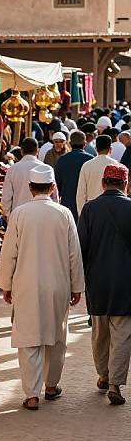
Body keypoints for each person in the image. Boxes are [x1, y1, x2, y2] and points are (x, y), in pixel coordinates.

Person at [0, 165, 84, 410]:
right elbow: (74, 255)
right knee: (56, 337)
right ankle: (52, 386)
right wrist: (77, 285)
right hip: (58, 285)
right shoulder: (64, 213)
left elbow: (9, 254)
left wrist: (6, 283)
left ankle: (32, 394)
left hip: (26, 284)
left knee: (29, 339)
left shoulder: (20, 214)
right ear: (53, 187)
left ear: (30, 188)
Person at [78, 164, 131, 405]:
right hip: (126, 284)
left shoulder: (90, 209)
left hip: (97, 282)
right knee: (122, 336)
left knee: (100, 334)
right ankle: (114, 384)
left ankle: (103, 374)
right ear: (125, 184)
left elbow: (81, 248)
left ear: (103, 183)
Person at [2, 137, 54, 217]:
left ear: (21, 151)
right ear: (37, 150)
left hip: (19, 215)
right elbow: (54, 196)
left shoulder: (13, 169)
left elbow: (6, 197)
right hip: (42, 215)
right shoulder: (47, 169)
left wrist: (9, 216)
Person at [54, 130, 93, 221]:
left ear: (70, 143)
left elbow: (57, 185)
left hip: (67, 203)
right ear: (84, 143)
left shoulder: (62, 160)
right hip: (87, 204)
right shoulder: (91, 160)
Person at [76, 135, 117, 216]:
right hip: (112, 210)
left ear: (96, 149)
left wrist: (81, 214)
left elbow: (81, 194)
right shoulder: (116, 165)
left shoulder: (87, 165)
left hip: (92, 210)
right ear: (110, 149)